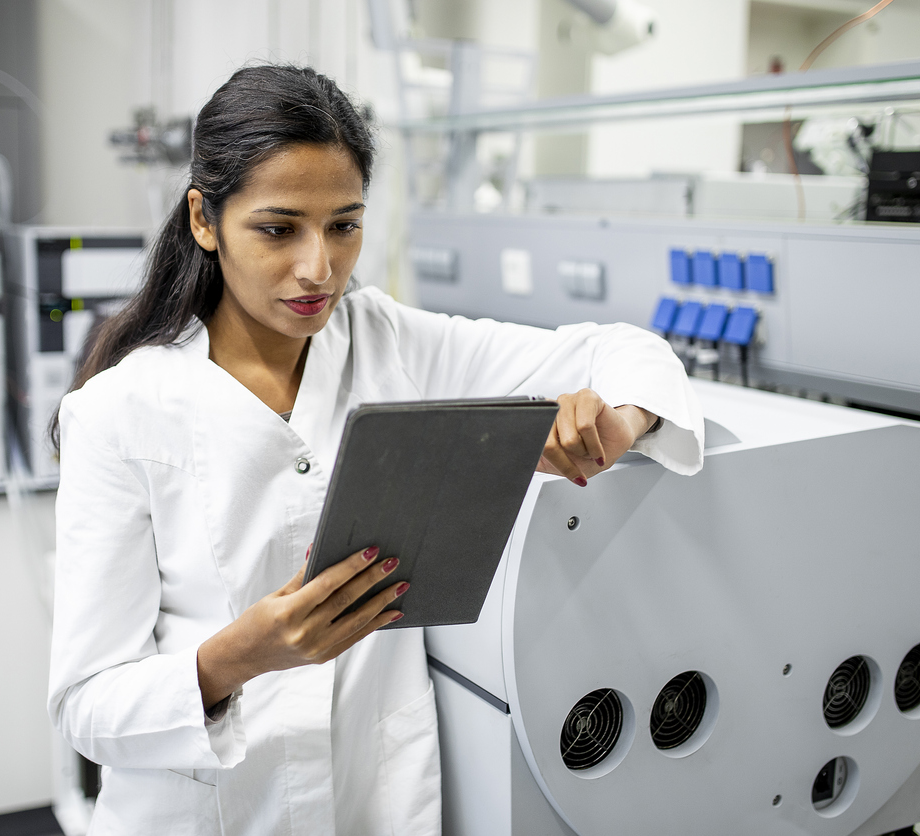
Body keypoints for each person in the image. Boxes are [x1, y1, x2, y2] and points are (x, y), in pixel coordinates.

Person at [47, 64, 704, 836]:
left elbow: (624, 349)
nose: (318, 267)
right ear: (204, 219)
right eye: (278, 228)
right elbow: (86, 704)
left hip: (377, 806)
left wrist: (612, 426)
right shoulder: (119, 413)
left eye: (345, 225)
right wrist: (237, 657)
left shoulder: (392, 343)